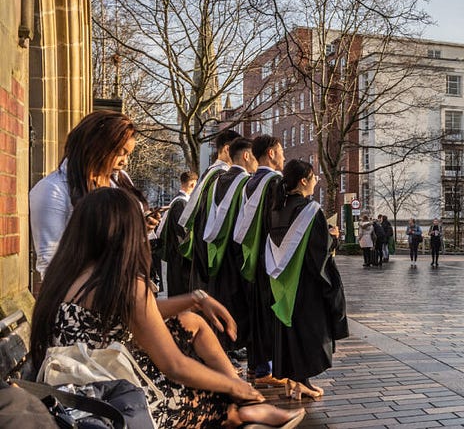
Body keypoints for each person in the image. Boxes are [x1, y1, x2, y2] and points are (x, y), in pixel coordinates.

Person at [30, 187, 304, 429]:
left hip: (73, 389)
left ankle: (244, 407)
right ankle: (242, 410)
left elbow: (142, 314)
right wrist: (237, 386)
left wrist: (195, 299)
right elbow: (174, 365)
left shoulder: (64, 275)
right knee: (207, 396)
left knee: (188, 322)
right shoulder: (122, 283)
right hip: (111, 401)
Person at [265, 160, 347, 400]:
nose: (316, 181)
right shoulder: (309, 211)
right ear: (303, 180)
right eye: (313, 177)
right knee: (308, 331)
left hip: (280, 283)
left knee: (288, 330)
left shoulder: (276, 209)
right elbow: (318, 251)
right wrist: (332, 238)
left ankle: (293, 380)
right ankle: (302, 381)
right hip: (307, 284)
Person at [29, 110, 138, 278]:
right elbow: (50, 262)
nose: (124, 162)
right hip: (83, 296)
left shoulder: (119, 180)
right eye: (120, 153)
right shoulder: (52, 189)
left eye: (128, 154)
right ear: (96, 146)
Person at [236, 134, 285, 385]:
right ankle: (268, 369)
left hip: (252, 256)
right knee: (270, 312)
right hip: (271, 257)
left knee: (255, 311)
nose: (284, 156)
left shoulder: (249, 182)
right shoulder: (275, 182)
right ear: (271, 153)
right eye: (281, 151)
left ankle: (256, 367)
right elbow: (280, 224)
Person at [202, 138, 257, 354]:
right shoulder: (245, 184)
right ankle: (233, 345)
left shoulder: (217, 181)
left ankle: (223, 346)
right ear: (246, 155)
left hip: (216, 251)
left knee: (223, 300)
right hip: (236, 253)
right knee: (237, 304)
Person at [180, 129, 241, 291]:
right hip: (212, 249)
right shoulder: (222, 177)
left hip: (202, 245)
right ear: (228, 149)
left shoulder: (209, 173)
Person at [157, 171, 199, 297]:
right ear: (192, 185)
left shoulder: (176, 201)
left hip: (176, 256)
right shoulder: (181, 204)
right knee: (180, 295)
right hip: (179, 258)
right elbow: (183, 233)